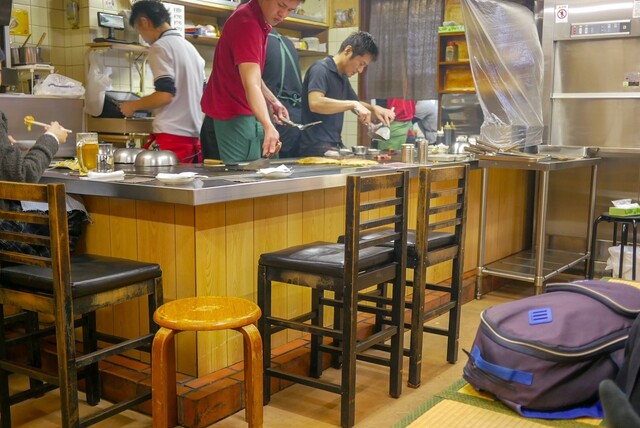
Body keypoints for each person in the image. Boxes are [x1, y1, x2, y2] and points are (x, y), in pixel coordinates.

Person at [200, 0, 303, 164]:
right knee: (243, 178)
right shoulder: (247, 23)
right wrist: (268, 125)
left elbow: (253, 75)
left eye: (290, 10)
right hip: (232, 112)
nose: (283, 14)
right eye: (281, 5)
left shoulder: (260, 22)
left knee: (258, 169)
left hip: (246, 109)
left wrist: (272, 100)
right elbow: (251, 83)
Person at [120, 0, 205, 163]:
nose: (143, 38)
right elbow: (205, 93)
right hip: (193, 139)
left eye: (139, 30)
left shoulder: (160, 47)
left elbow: (165, 95)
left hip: (171, 139)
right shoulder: (191, 49)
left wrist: (132, 106)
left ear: (145, 22)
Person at [300, 31, 396, 157]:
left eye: (364, 67)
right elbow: (316, 103)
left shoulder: (342, 77)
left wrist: (375, 110)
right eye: (361, 64)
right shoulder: (321, 69)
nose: (360, 70)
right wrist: (353, 104)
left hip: (334, 146)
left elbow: (356, 104)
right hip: (314, 149)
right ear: (348, 51)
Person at [263, 27, 303, 158]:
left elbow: (253, 83)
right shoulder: (287, 42)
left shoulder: (261, 41)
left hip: (278, 119)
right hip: (295, 119)